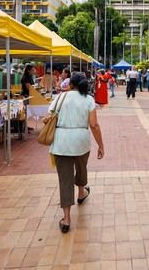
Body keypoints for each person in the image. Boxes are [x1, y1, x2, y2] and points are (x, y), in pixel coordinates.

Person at [49, 73, 104, 233]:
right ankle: (81, 193)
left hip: (61, 142)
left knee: (65, 179)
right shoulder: (88, 100)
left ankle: (66, 219)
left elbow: (49, 117)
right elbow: (94, 125)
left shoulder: (60, 98)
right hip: (81, 141)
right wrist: (101, 145)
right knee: (81, 168)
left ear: (70, 84)